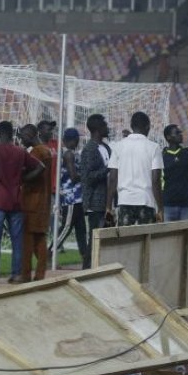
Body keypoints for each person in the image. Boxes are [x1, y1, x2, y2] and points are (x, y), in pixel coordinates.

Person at [0, 121, 44, 284]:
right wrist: (23, 179)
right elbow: (40, 167)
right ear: (13, 134)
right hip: (16, 200)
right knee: (17, 240)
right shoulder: (20, 151)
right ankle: (16, 274)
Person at [107, 112, 164, 226]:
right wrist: (160, 208)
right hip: (146, 201)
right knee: (145, 241)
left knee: (126, 241)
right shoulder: (154, 147)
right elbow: (156, 180)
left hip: (124, 201)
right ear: (148, 126)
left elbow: (112, 178)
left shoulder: (118, 146)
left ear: (131, 126)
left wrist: (108, 207)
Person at [48, 128, 87, 264]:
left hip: (77, 196)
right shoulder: (68, 154)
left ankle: (85, 256)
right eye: (78, 139)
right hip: (71, 196)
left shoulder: (71, 153)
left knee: (81, 229)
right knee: (66, 226)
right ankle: (50, 251)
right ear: (74, 140)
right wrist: (86, 176)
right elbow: (73, 176)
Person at [19, 124, 53, 282]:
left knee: (27, 239)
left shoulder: (36, 152)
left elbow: (32, 172)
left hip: (32, 200)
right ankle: (40, 274)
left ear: (29, 134)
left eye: (22, 136)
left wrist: (21, 178)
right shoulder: (47, 151)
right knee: (40, 238)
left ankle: (25, 275)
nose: (21, 140)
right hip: (44, 201)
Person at [80, 114, 111, 269]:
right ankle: (86, 271)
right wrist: (108, 169)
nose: (108, 128)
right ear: (98, 129)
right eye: (105, 125)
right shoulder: (89, 149)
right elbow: (88, 177)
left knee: (106, 241)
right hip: (95, 202)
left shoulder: (106, 147)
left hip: (107, 201)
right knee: (94, 240)